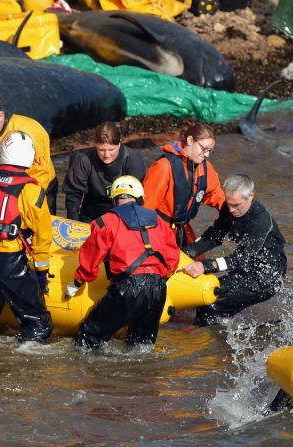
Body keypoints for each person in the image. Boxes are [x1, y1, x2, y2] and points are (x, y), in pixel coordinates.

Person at [66, 175, 179, 350]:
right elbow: (173, 258)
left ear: (114, 199)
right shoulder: (159, 221)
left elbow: (91, 259)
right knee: (142, 346)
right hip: (158, 288)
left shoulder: (105, 222)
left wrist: (77, 282)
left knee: (88, 339)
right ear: (140, 198)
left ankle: (90, 376)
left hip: (128, 287)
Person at [0, 131, 53, 342]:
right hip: (9, 261)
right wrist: (42, 273)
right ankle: (24, 362)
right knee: (39, 324)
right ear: (29, 158)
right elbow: (43, 236)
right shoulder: (32, 192)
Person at [182, 174, 287, 326]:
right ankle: (221, 328)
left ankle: (218, 341)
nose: (231, 210)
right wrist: (185, 253)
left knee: (211, 305)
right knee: (206, 296)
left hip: (267, 277)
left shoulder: (260, 221)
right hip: (247, 268)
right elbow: (214, 236)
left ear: (250, 196)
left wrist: (205, 266)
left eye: (236, 205)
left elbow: (241, 259)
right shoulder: (230, 207)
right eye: (228, 204)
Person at [0, 91, 58, 214]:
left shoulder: (30, 131)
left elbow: (40, 173)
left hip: (36, 186)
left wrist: (21, 200)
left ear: (0, 116)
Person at [143, 123, 225, 247]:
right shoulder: (163, 167)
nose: (207, 155)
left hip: (183, 230)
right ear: (190, 140)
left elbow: (216, 195)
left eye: (209, 151)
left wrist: (235, 211)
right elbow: (144, 209)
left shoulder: (205, 167)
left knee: (201, 265)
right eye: (204, 149)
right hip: (159, 231)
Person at [63, 122, 146, 222]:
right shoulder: (83, 160)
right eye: (101, 150)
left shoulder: (133, 159)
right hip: (90, 217)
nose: (107, 155)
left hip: (123, 217)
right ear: (95, 145)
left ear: (120, 143)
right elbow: (73, 195)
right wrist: (73, 223)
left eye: (111, 149)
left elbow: (139, 198)